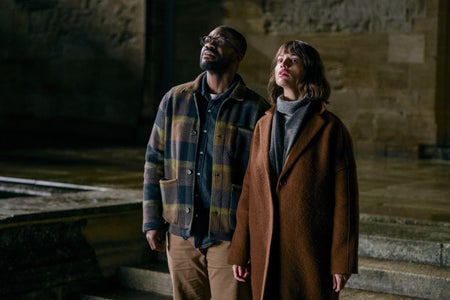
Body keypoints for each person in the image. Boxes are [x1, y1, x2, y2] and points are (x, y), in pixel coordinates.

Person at [142, 25, 269, 300]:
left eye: (220, 40)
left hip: (228, 236)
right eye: (207, 39)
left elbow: (262, 180)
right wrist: (152, 220)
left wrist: (249, 240)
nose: (209, 44)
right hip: (181, 232)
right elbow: (154, 160)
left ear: (238, 56)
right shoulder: (175, 99)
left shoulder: (256, 109)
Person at [228, 40, 359, 300]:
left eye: (293, 60)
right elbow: (249, 192)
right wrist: (240, 250)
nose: (283, 64)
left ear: (308, 71)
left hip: (309, 251)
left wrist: (341, 261)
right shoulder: (263, 125)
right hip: (265, 247)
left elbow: (345, 202)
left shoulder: (331, 128)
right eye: (279, 60)